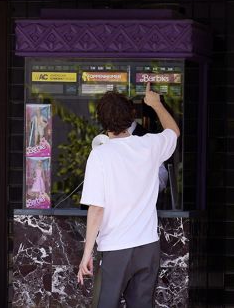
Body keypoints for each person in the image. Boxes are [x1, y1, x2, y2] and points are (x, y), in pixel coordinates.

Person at [76, 84, 179, 307]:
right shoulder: (149, 145)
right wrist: (156, 104)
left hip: (116, 248)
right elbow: (173, 132)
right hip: (148, 245)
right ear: (131, 116)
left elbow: (97, 209)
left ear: (102, 121)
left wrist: (86, 253)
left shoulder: (100, 155)